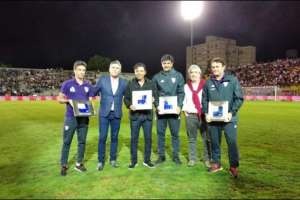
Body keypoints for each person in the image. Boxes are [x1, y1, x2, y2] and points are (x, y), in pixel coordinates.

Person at [202, 57, 244, 178]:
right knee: (215, 142)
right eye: (213, 67)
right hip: (213, 119)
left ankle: (233, 166)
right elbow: (204, 100)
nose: (215, 69)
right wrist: (206, 113)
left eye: (217, 66)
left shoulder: (232, 80)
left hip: (229, 118)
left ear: (223, 67)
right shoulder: (208, 82)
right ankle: (216, 164)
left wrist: (232, 112)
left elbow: (239, 98)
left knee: (232, 142)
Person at [58, 60, 94, 176]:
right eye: (79, 70)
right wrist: (69, 100)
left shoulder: (88, 85)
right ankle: (64, 164)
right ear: (74, 70)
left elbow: (90, 100)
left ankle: (79, 164)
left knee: (82, 141)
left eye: (83, 70)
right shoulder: (67, 84)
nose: (82, 72)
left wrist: (91, 108)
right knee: (67, 141)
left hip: (84, 118)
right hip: (71, 117)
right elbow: (59, 99)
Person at [94, 60, 128, 171]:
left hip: (116, 113)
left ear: (120, 70)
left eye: (117, 68)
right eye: (113, 67)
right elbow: (93, 92)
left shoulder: (124, 82)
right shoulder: (102, 80)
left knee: (114, 138)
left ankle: (113, 160)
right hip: (104, 113)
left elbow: (129, 96)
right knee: (102, 137)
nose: (115, 69)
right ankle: (100, 161)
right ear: (109, 69)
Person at [124, 63, 158, 169]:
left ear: (145, 72)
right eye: (137, 71)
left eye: (141, 71)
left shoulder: (151, 83)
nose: (139, 72)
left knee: (148, 139)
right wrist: (130, 105)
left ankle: (147, 160)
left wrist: (153, 100)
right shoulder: (130, 83)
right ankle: (133, 161)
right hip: (135, 116)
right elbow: (126, 99)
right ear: (134, 72)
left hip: (147, 116)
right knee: (134, 139)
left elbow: (156, 97)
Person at [152, 54, 185, 165]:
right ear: (161, 64)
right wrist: (157, 105)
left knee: (175, 134)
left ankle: (175, 156)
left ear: (172, 64)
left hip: (174, 111)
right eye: (164, 63)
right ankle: (161, 156)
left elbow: (181, 92)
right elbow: (154, 93)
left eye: (168, 63)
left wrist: (179, 106)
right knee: (160, 134)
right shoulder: (156, 77)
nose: (166, 65)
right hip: (161, 111)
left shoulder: (178, 75)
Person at [182, 64, 211, 168]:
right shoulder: (186, 86)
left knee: (206, 139)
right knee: (192, 139)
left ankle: (207, 159)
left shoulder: (205, 85)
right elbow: (184, 100)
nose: (193, 74)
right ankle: (192, 159)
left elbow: (208, 100)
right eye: (191, 72)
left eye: (196, 72)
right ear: (189, 74)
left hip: (203, 115)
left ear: (200, 74)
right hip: (191, 115)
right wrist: (185, 112)